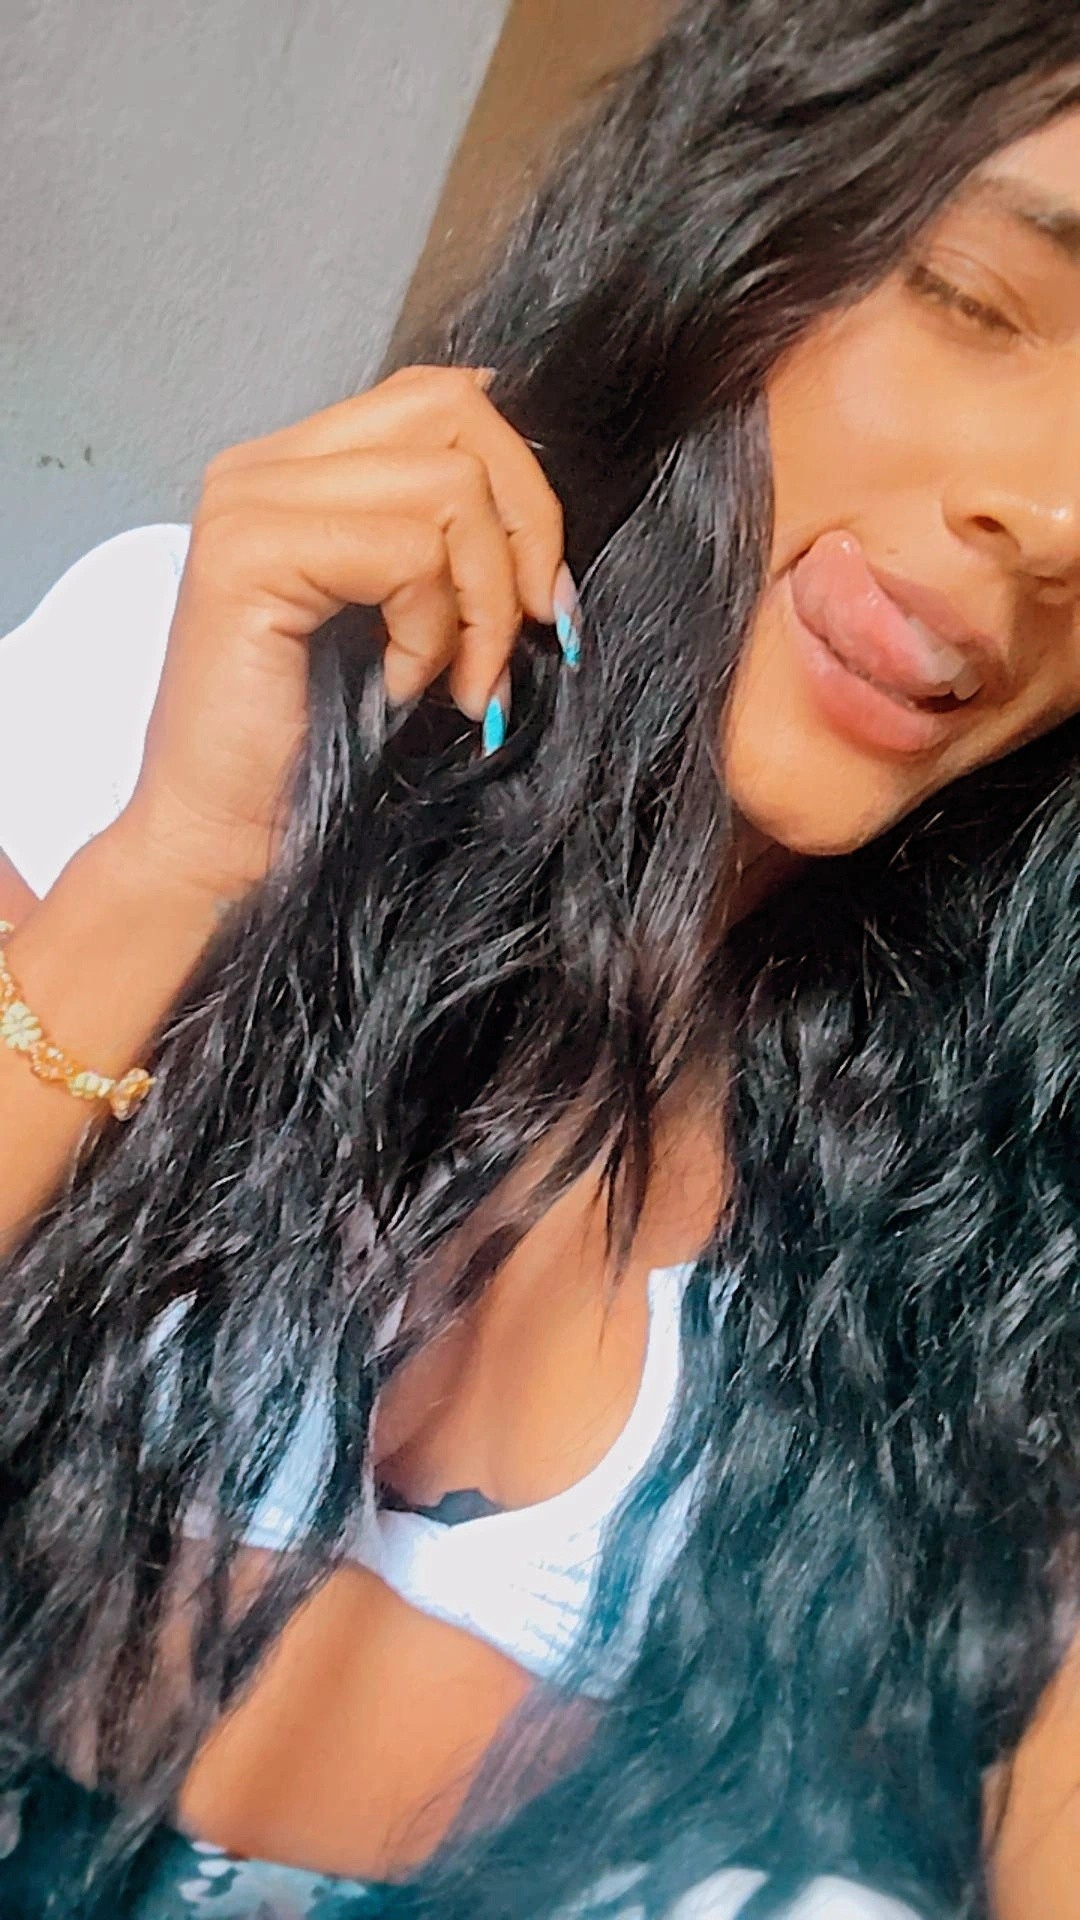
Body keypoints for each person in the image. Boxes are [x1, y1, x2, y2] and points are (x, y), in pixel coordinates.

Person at [0, 1, 1078, 1915]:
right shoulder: (175, 689)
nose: (1054, 516)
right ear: (748, 229)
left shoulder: (1002, 1176)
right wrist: (170, 865)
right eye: (975, 301)